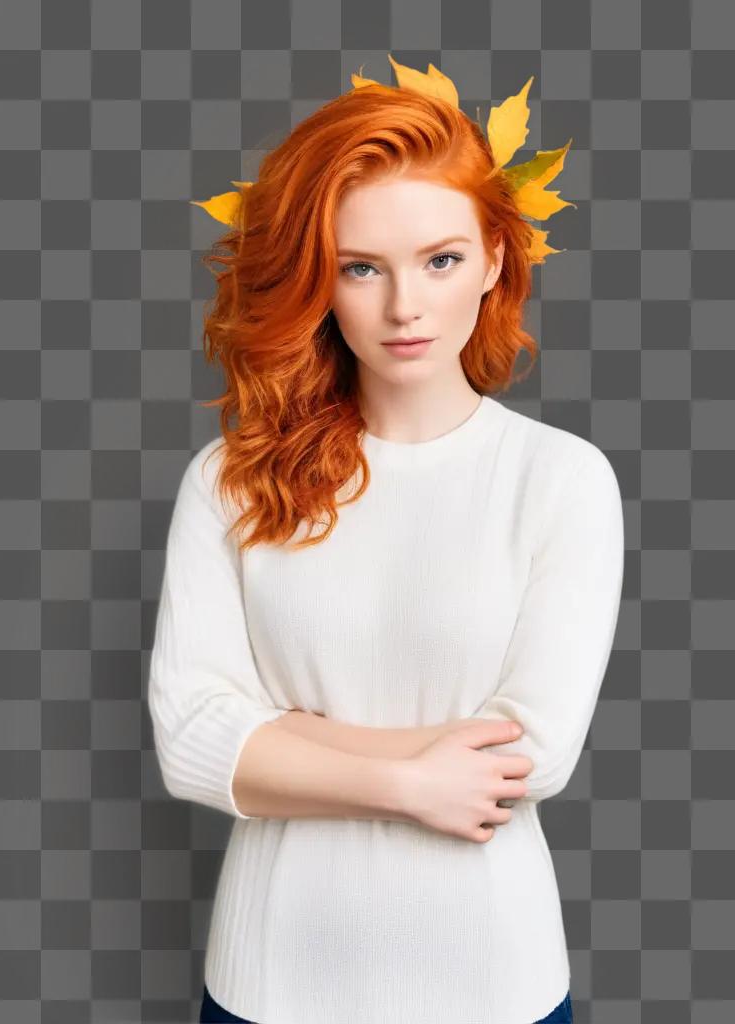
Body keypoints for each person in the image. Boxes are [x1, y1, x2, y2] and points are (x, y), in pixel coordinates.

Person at [148, 55, 623, 1024]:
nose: (404, 306)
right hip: (268, 982)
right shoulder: (229, 478)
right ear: (321, 279)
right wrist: (412, 778)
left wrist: (288, 741)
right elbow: (190, 741)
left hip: (493, 984)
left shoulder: (561, 481)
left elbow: (531, 756)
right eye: (361, 267)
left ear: (495, 258)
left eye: (440, 259)